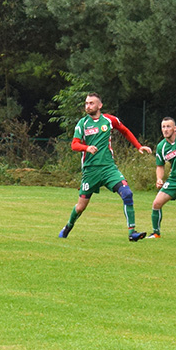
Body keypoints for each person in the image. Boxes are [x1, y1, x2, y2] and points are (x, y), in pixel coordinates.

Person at [59, 92, 152, 241]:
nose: (88, 106)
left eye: (91, 103)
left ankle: (132, 233)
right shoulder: (82, 123)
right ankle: (68, 226)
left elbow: (125, 131)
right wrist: (86, 148)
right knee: (81, 207)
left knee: (127, 193)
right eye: (86, 103)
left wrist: (138, 146)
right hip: (90, 171)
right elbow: (74, 145)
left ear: (99, 105)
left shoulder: (109, 120)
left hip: (109, 169)